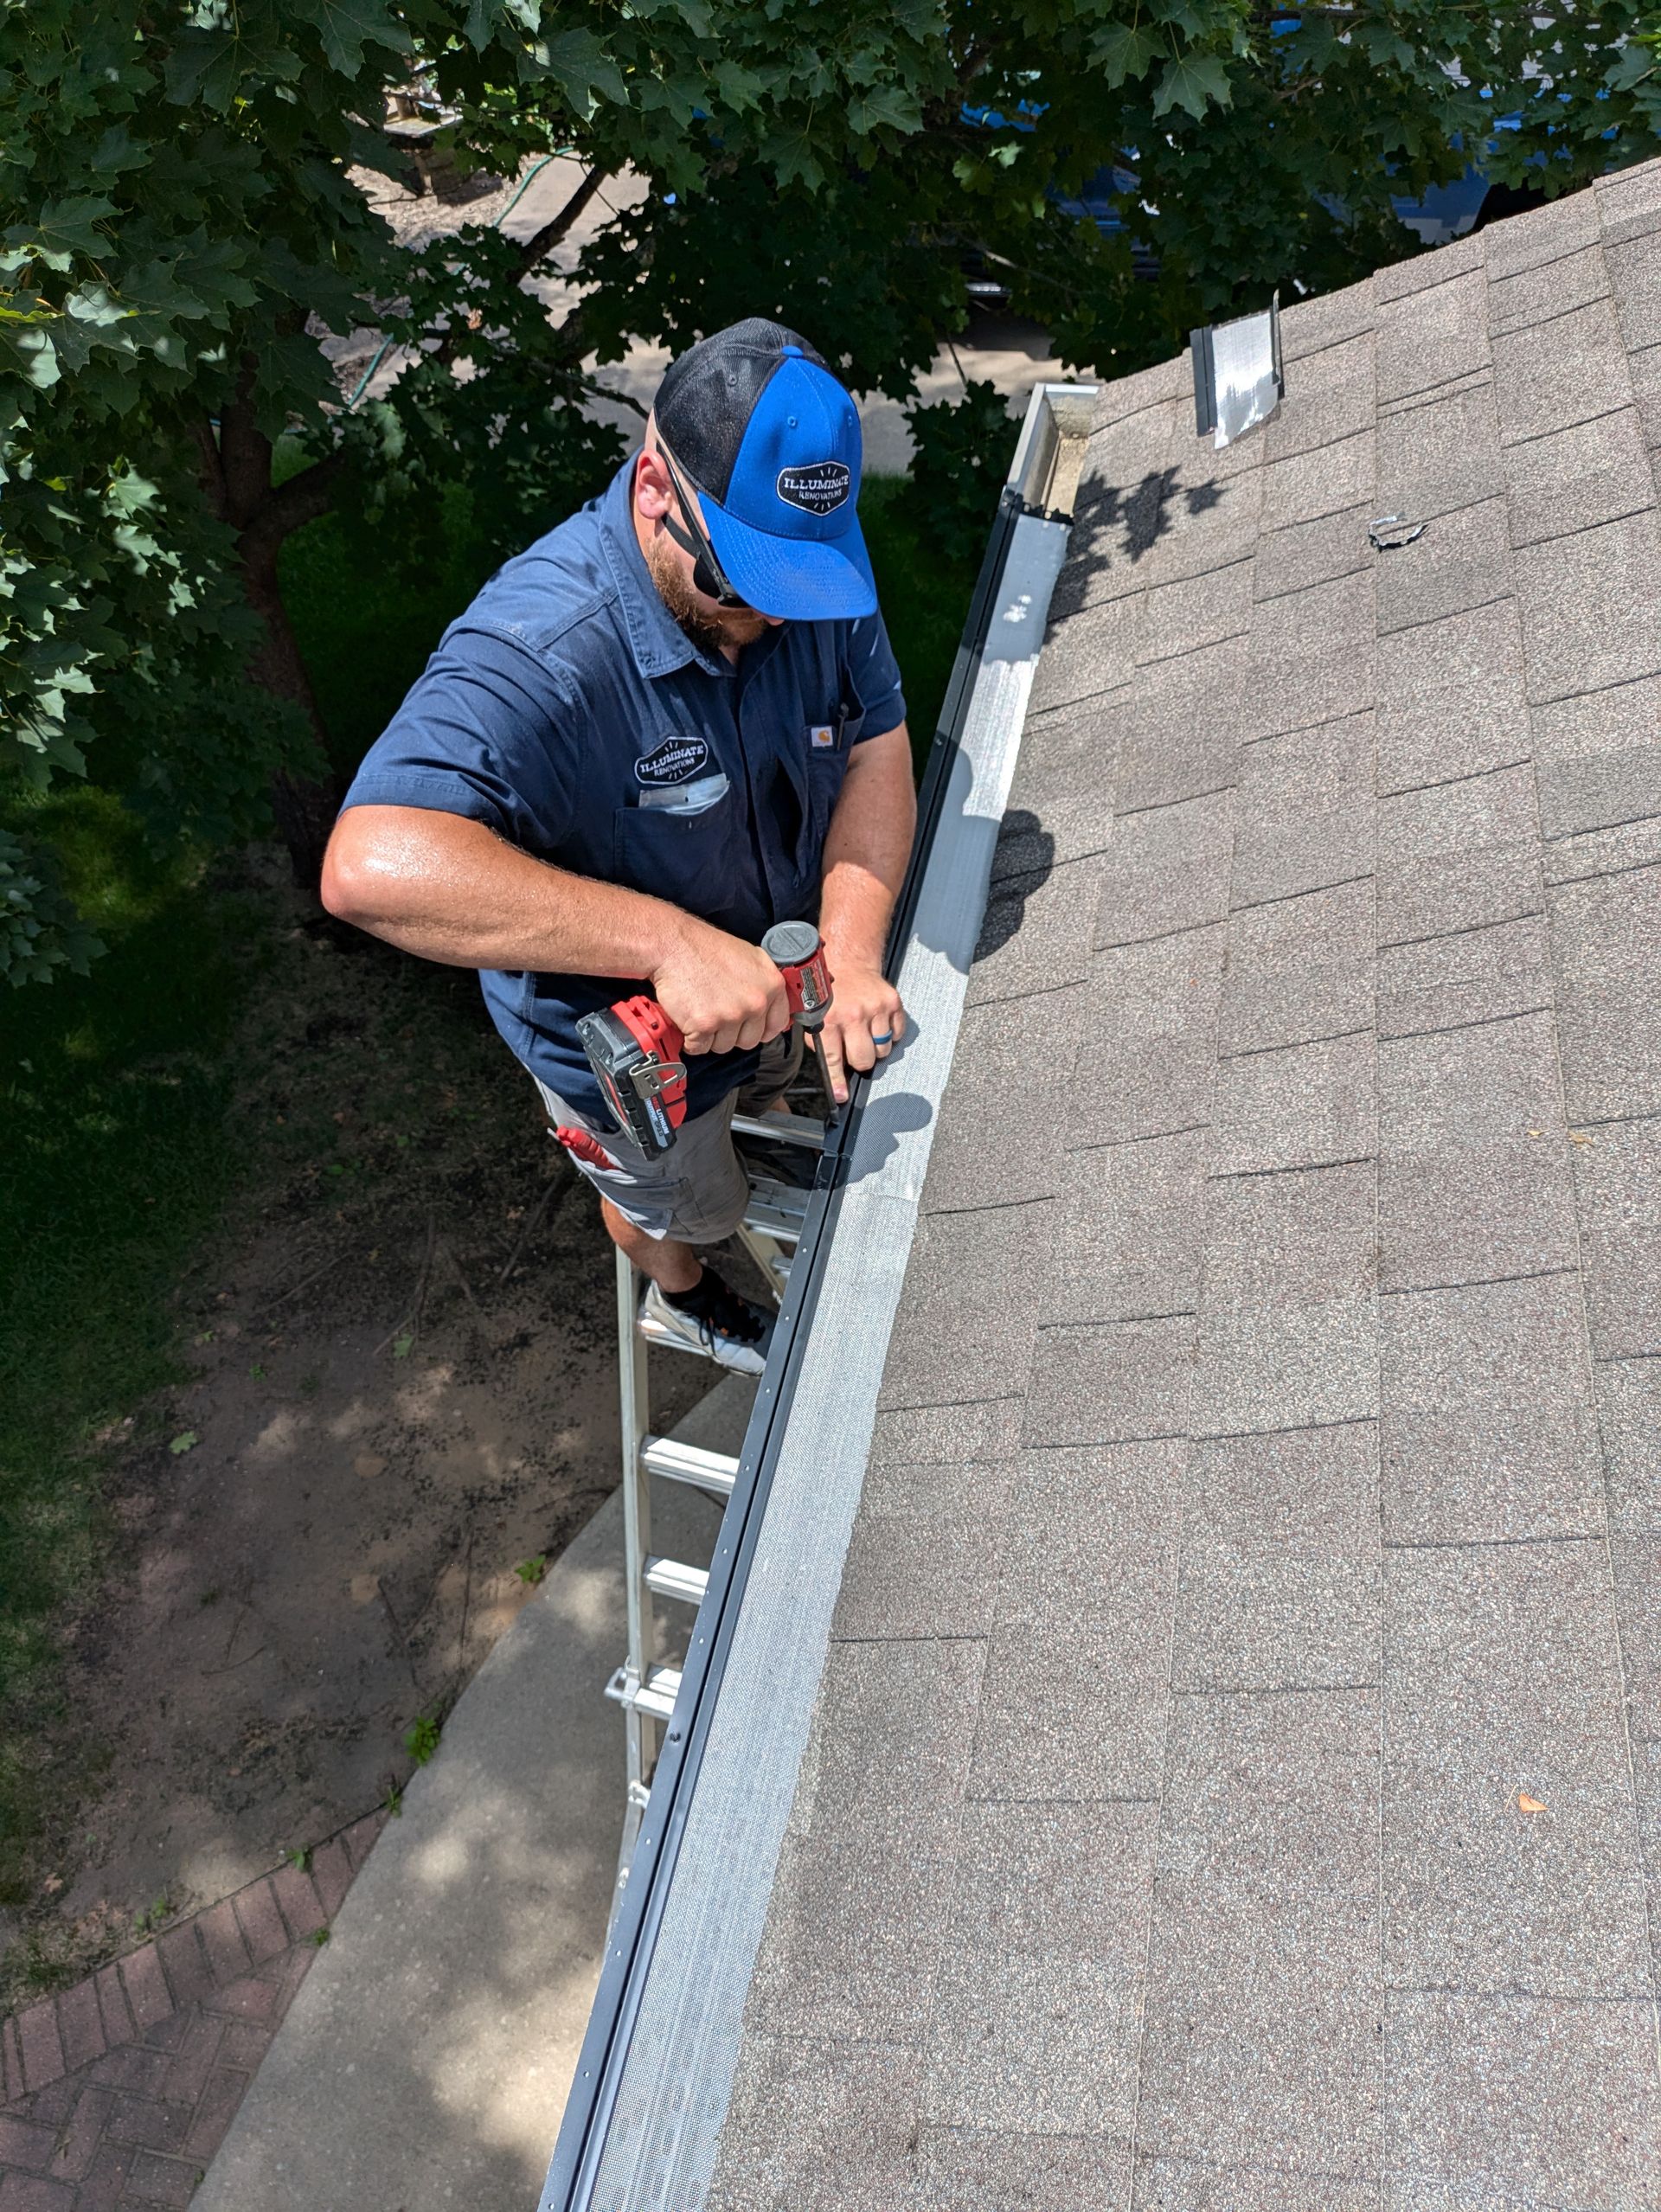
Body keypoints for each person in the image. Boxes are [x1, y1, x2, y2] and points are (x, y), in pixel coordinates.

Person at [321, 319, 917, 1375]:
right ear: (654, 490)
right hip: (641, 1069)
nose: (779, 621)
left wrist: (855, 951)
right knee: (687, 1204)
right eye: (744, 585)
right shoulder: (546, 647)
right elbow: (368, 862)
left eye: (801, 588)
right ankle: (686, 1288)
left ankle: (753, 1102)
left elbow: (875, 752)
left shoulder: (809, 580)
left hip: (777, 984)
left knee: (770, 1098)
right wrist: (667, 945)